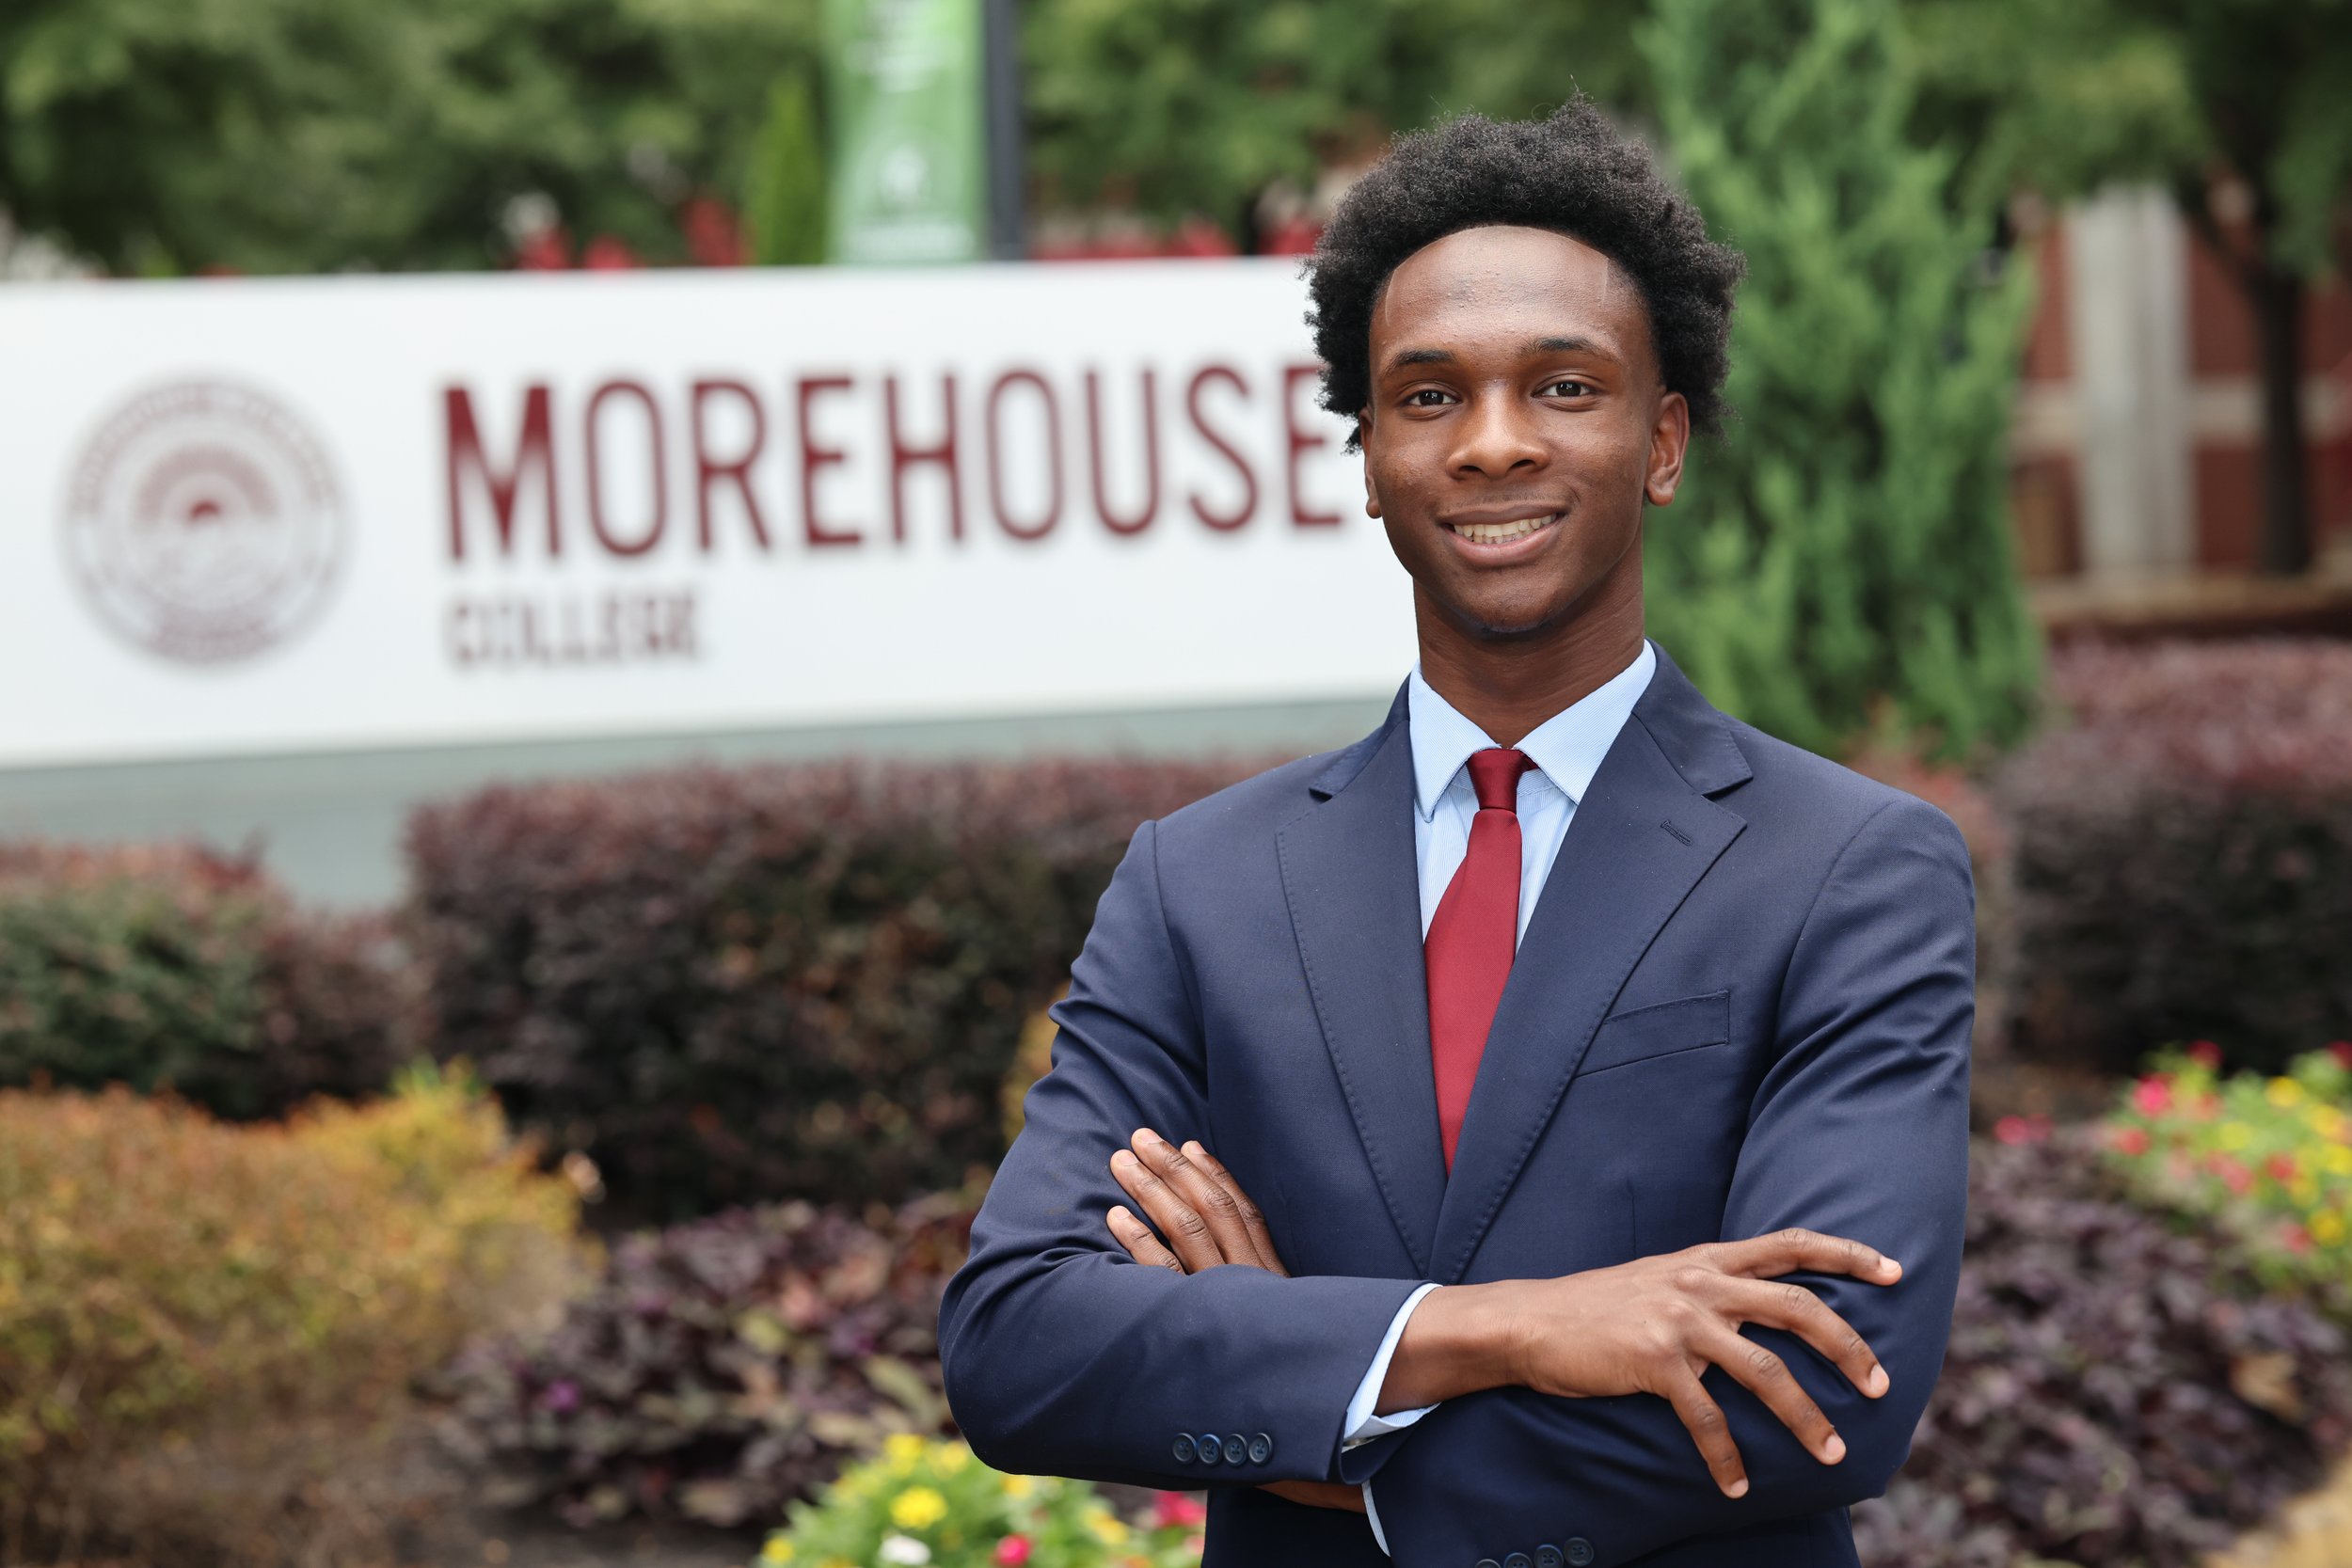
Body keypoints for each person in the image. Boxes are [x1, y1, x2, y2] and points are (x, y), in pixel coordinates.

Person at [938, 98, 1972, 1568]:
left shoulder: (1851, 869)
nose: (1491, 445)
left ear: (1663, 442)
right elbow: (1020, 1345)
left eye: (1563, 386)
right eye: (1428, 398)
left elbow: (1817, 1390)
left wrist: (1322, 1418)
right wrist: (1497, 1332)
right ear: (1369, 463)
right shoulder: (1199, 883)